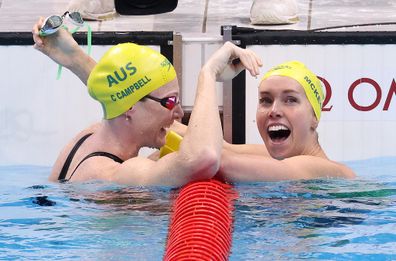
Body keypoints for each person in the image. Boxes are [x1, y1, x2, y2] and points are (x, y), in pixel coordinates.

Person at [32, 18, 355, 184]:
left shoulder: (90, 137)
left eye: (290, 101)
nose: (178, 112)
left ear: (315, 116)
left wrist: (78, 62)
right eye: (265, 100)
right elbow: (202, 153)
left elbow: (136, 106)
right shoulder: (119, 171)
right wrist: (207, 75)